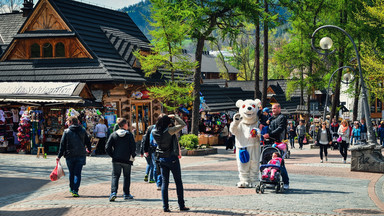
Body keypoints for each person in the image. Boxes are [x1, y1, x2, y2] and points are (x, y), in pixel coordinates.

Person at [152, 114, 189, 212]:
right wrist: (175, 116)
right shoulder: (169, 131)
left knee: (164, 183)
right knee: (178, 182)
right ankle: (181, 205)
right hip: (172, 158)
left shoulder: (154, 132)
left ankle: (165, 206)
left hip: (162, 158)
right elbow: (182, 124)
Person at [56, 116, 91, 197]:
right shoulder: (82, 130)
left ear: (71, 122)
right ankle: (75, 189)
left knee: (71, 173)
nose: (67, 123)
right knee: (77, 173)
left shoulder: (67, 131)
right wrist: (89, 149)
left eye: (68, 122)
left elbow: (62, 145)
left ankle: (72, 188)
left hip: (70, 155)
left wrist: (59, 155)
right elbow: (88, 141)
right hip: (81, 155)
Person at [105, 118, 136, 202]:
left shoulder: (114, 134)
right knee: (126, 176)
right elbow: (133, 147)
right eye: (127, 124)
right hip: (127, 159)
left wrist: (113, 155)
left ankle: (113, 193)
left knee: (115, 176)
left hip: (116, 159)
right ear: (124, 125)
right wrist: (132, 156)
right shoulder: (129, 135)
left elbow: (107, 147)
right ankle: (126, 194)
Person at [263, 104, 289, 190]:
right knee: (270, 163)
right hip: (271, 143)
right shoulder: (272, 118)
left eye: (274, 108)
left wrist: (269, 134)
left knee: (280, 164)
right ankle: (272, 180)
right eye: (272, 109)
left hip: (279, 143)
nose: (273, 110)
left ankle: (286, 182)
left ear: (279, 108)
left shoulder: (282, 118)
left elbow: (280, 129)